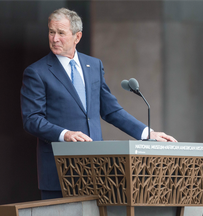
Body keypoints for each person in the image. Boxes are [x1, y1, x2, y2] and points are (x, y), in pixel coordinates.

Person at [20, 8, 177, 200]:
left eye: (61, 33)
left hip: (96, 171)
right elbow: (32, 119)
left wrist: (147, 134)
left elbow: (111, 110)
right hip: (58, 171)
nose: (54, 38)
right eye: (51, 32)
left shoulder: (93, 65)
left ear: (77, 37)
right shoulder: (36, 72)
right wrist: (65, 134)